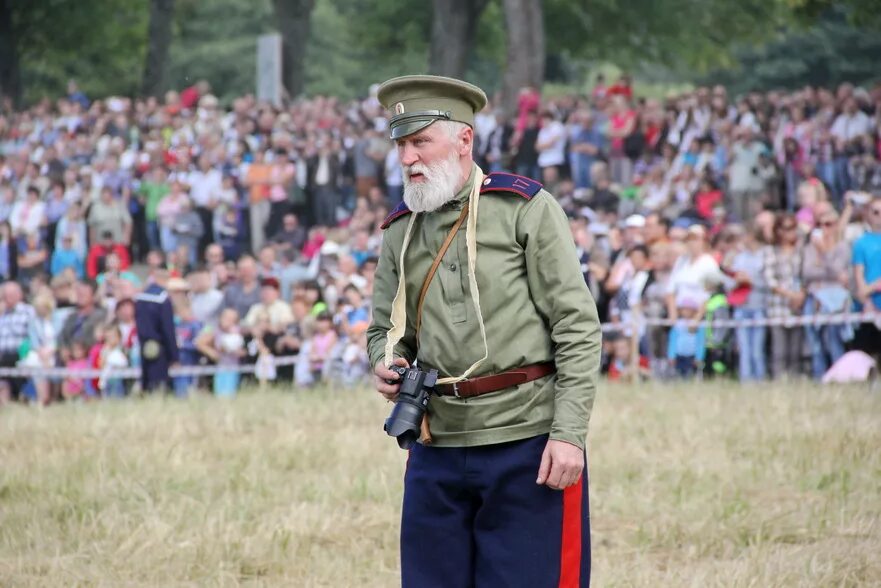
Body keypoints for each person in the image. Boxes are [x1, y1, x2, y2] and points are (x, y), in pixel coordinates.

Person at [367, 75, 600, 587]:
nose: (407, 158)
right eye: (401, 145)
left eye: (420, 141)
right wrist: (383, 362)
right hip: (434, 445)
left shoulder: (526, 208)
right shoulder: (400, 229)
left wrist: (568, 434)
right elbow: (385, 328)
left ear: (463, 139)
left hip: (527, 443)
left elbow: (577, 326)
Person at [134, 269, 179, 392]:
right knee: (160, 383)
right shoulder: (162, 297)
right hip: (160, 347)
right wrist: (174, 355)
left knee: (147, 382)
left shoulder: (141, 297)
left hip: (144, 345)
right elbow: (167, 328)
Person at [852, 196, 881, 361]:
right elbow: (859, 280)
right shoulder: (861, 243)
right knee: (868, 356)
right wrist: (867, 298)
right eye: (876, 212)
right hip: (870, 307)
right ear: (868, 215)